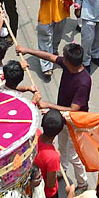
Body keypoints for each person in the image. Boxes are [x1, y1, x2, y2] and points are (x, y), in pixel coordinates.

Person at [19, 41, 92, 189]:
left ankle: (82, 182)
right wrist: (27, 49)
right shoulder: (68, 65)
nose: (61, 60)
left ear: (70, 62)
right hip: (64, 119)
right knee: (62, 146)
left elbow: (74, 109)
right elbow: (50, 57)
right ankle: (61, 170)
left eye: (63, 58)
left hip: (75, 122)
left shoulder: (83, 82)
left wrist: (48, 105)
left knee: (73, 154)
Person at [34, 0, 76, 76]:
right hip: (46, 15)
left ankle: (53, 54)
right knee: (45, 40)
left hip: (61, 14)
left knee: (56, 38)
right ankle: (46, 67)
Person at [35, 109, 65, 198]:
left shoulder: (35, 135)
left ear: (42, 124)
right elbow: (51, 183)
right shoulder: (53, 157)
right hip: (47, 195)